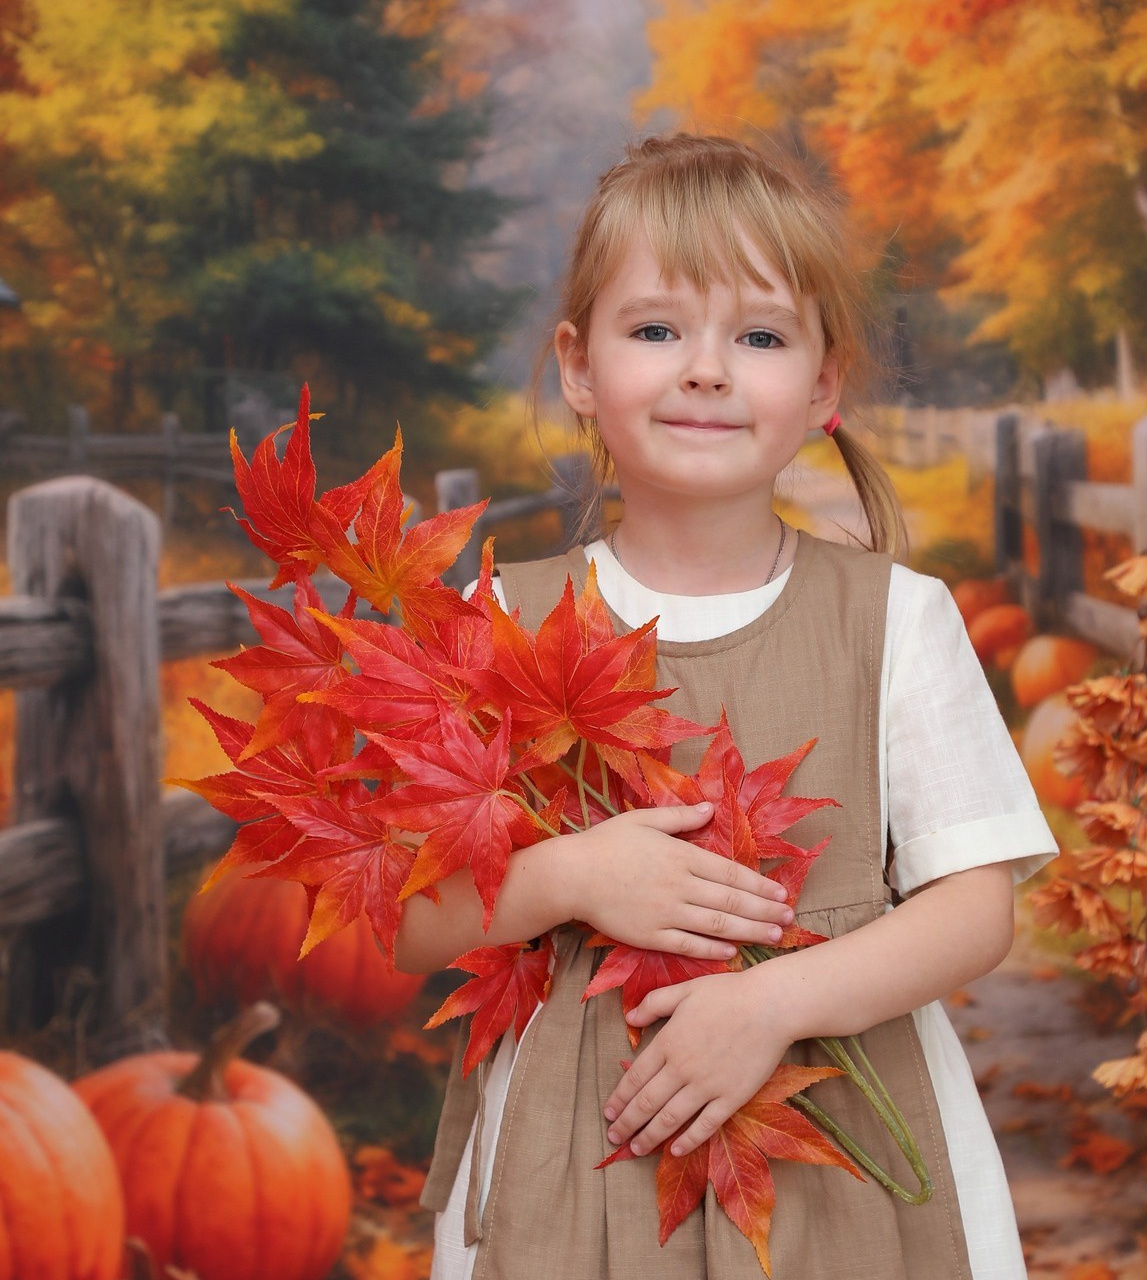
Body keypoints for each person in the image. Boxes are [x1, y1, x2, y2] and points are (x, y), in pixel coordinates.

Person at [394, 133, 1056, 1280]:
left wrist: (772, 1003)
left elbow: (973, 909)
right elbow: (412, 916)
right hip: (583, 1146)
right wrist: (568, 875)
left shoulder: (894, 617)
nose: (705, 369)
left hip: (840, 1141)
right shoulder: (501, 616)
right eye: (656, 329)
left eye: (757, 336)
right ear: (578, 366)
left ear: (822, 386)